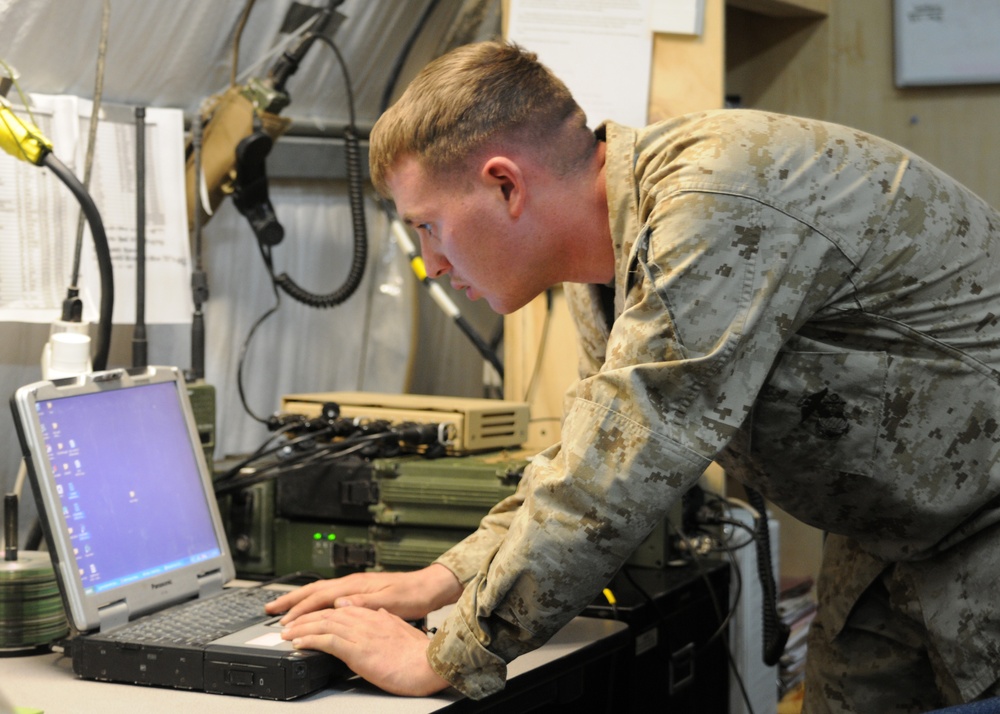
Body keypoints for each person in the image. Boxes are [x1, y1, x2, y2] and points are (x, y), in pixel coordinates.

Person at [266, 40, 1000, 712]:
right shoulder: (612, 260)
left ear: (503, 186)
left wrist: (446, 657)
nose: (432, 262)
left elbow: (620, 472)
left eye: (427, 224)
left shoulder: (712, 203)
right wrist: (443, 579)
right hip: (894, 536)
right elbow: (591, 452)